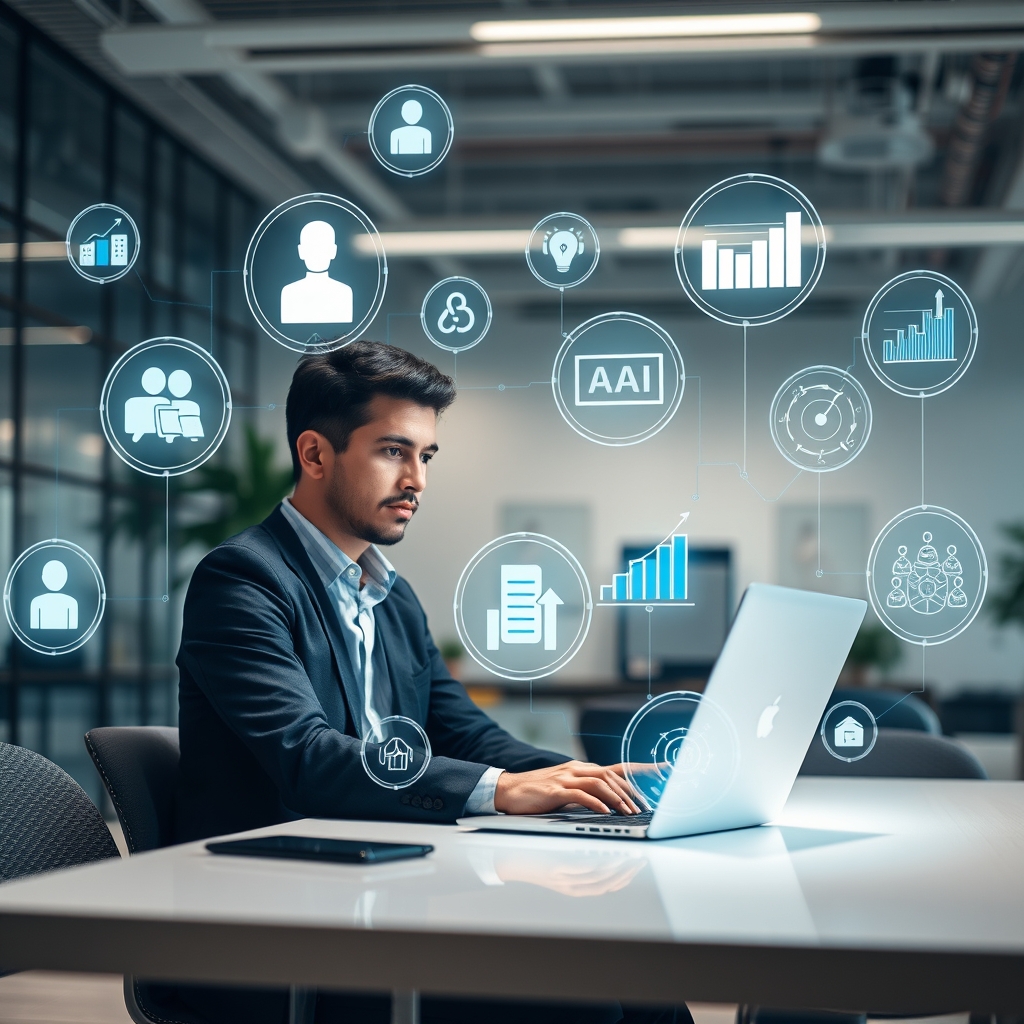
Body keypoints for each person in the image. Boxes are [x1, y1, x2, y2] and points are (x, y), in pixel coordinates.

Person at [168, 341, 685, 1024]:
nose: (418, 479)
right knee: (590, 1000)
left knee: (642, 987)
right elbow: (308, 758)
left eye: (426, 456)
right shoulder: (242, 582)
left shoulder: (394, 597)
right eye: (393, 451)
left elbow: (462, 729)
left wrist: (578, 776)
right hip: (280, 926)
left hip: (387, 889)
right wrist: (502, 790)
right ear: (316, 454)